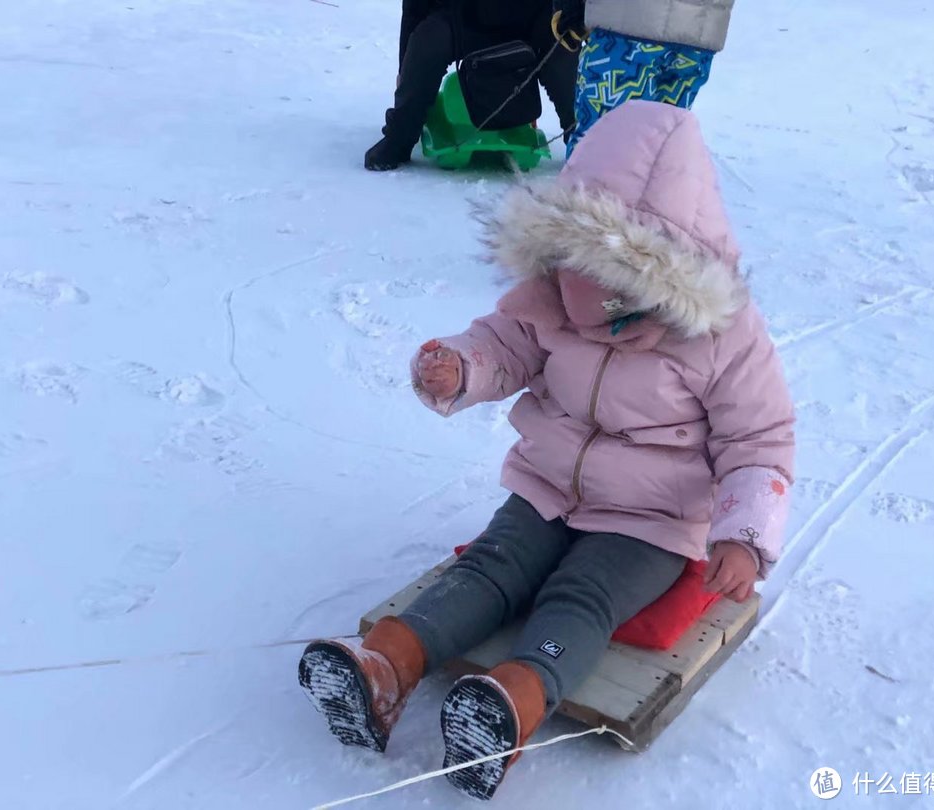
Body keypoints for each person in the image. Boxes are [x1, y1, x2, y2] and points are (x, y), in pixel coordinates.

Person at [301, 100, 795, 800]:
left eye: (606, 287)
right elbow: (507, 344)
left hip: (650, 522)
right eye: (566, 268)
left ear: (659, 278)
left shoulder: (724, 337)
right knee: (489, 571)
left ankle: (511, 705)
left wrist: (744, 535)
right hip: (547, 485)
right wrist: (463, 365)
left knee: (581, 597)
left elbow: (760, 439)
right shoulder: (554, 295)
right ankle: (385, 665)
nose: (577, 302)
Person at [365, 0, 579, 171]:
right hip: (463, 16)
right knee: (428, 43)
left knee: (562, 49)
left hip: (533, 15)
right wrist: (403, 67)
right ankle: (400, 138)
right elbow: (415, 8)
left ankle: (581, 140)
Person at [551, 0, 735, 156]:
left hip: (628, 25)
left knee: (603, 148)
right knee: (659, 151)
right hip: (700, 31)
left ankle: (589, 194)